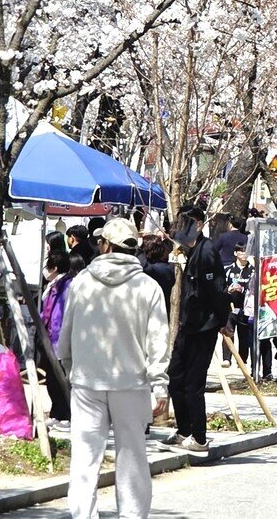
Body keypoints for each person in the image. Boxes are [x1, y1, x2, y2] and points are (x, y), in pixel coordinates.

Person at [58, 217, 170, 519]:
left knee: (84, 456)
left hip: (87, 382)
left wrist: (71, 369)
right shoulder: (148, 287)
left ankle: (83, 515)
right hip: (131, 384)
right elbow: (158, 340)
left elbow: (65, 337)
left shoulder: (81, 282)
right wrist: (159, 383)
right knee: (132, 456)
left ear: (104, 245)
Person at [165, 208, 232, 457]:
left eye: (186, 223)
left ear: (199, 225)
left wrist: (223, 320)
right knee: (174, 376)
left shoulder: (206, 252)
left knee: (194, 383)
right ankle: (184, 429)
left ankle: (200, 437)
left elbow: (216, 290)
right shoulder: (189, 252)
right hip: (187, 325)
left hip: (203, 327)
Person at [226, 246, 271, 381]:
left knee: (264, 342)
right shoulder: (234, 270)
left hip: (264, 311)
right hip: (249, 311)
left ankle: (267, 371)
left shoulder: (261, 272)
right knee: (251, 342)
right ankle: (254, 370)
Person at [39, 252, 74, 425]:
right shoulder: (55, 285)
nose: (45, 271)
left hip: (59, 339)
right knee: (52, 379)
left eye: (47, 267)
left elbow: (60, 314)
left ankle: (64, 413)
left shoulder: (66, 286)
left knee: (59, 379)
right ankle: (57, 412)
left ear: (54, 268)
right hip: (51, 338)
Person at [141, 235, 177, 315]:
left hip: (152, 312)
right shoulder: (169, 267)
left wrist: (138, 249)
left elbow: (144, 266)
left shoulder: (151, 269)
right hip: (165, 310)